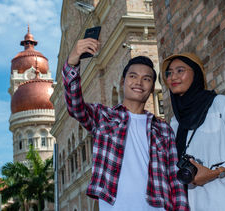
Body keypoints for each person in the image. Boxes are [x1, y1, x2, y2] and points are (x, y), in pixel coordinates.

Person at [62, 37, 189, 211]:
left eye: (146, 79)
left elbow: (175, 178)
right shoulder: (104, 118)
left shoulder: (162, 129)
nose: (139, 82)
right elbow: (75, 107)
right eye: (133, 76)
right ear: (123, 82)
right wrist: (72, 63)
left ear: (152, 87)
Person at [161, 52, 225, 211]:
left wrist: (217, 172)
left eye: (180, 70)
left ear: (196, 74)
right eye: (169, 73)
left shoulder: (222, 105)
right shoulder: (175, 122)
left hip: (223, 201)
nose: (173, 77)